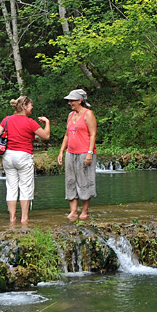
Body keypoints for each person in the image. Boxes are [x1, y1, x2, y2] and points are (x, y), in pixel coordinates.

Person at [0, 96, 50, 224]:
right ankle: (24, 219)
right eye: (31, 105)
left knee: (11, 188)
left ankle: (12, 218)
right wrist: (47, 123)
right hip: (23, 156)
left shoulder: (6, 119)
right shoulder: (30, 122)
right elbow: (46, 136)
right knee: (25, 187)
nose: (32, 107)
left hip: (8, 156)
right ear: (24, 107)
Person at [57, 88, 97, 220]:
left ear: (80, 100)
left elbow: (92, 135)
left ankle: (84, 211)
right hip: (71, 153)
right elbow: (67, 135)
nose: (69, 103)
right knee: (70, 181)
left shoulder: (88, 114)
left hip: (84, 152)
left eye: (72, 100)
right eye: (69, 101)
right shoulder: (70, 115)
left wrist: (90, 153)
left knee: (85, 180)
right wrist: (62, 151)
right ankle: (73, 211)